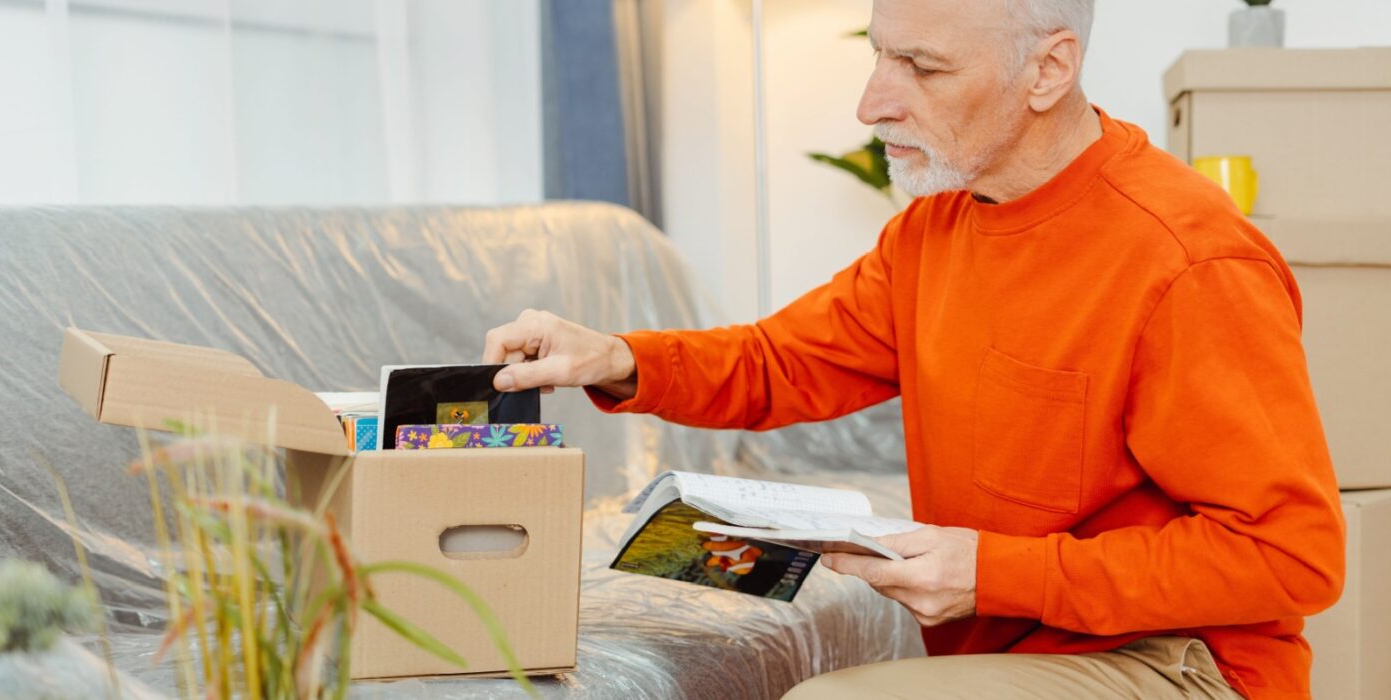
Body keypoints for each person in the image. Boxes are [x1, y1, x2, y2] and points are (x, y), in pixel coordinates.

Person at [482, 1, 1345, 697]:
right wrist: (615, 357)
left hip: (1179, 663)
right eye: (880, 54)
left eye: (923, 68)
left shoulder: (1189, 259)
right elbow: (782, 361)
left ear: (1048, 69)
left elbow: (1289, 554)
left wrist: (995, 572)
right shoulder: (933, 232)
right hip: (1017, 652)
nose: (872, 104)